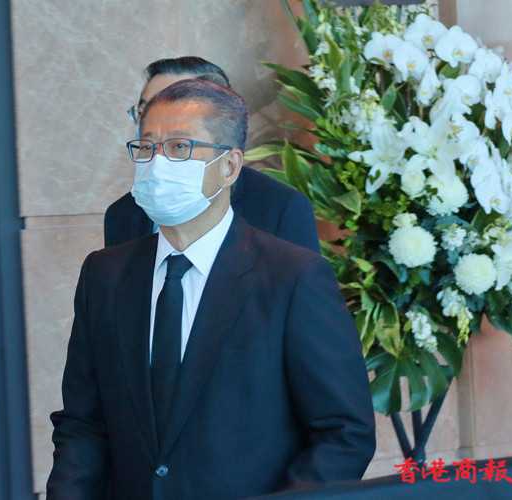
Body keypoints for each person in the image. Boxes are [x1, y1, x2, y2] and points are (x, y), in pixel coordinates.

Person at [48, 79, 376, 500]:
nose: (157, 163)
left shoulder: (291, 276)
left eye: (180, 147)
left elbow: (344, 432)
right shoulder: (105, 274)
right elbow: (83, 423)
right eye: (147, 147)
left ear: (230, 166)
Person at [104, 56, 320, 252]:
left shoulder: (281, 208)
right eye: (144, 112)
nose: (155, 120)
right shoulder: (121, 215)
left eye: (176, 106)